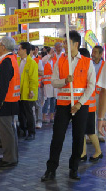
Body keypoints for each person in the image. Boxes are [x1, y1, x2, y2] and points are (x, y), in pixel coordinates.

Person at [41, 30, 96, 182]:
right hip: (63, 105)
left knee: (78, 137)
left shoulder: (86, 61)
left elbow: (91, 86)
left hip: (80, 106)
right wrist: (65, 80)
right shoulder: (61, 61)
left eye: (67, 42)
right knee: (57, 137)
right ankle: (51, 169)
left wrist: (79, 103)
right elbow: (54, 81)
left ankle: (74, 168)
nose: (64, 45)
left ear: (76, 44)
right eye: (64, 42)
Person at [0, 37, 20, 168]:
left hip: (5, 101)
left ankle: (9, 158)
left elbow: (3, 84)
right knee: (10, 130)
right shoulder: (12, 59)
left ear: (3, 47)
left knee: (6, 131)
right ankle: (12, 156)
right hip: (11, 100)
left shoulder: (6, 61)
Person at [78, 48, 103, 162]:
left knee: (90, 131)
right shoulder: (83, 67)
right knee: (81, 130)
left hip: (90, 106)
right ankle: (83, 153)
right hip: (83, 105)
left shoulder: (88, 68)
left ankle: (98, 152)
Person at [17, 42, 39, 140]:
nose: (18, 51)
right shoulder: (17, 61)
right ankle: (23, 129)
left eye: (19, 49)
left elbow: (33, 79)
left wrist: (32, 91)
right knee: (21, 113)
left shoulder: (32, 63)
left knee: (29, 113)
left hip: (28, 93)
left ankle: (31, 132)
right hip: (19, 92)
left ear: (24, 50)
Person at [91, 45, 105, 142]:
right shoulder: (88, 64)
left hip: (101, 94)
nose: (93, 54)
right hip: (91, 94)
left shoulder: (104, 65)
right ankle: (92, 134)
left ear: (101, 54)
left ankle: (101, 135)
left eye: (95, 52)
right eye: (93, 51)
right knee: (91, 115)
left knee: (102, 114)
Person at [31, 45, 44, 129]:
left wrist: (33, 71)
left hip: (36, 86)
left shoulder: (37, 61)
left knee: (37, 104)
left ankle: (39, 121)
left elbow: (42, 72)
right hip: (26, 86)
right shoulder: (22, 60)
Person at [42, 47, 57, 123]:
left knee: (53, 101)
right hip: (47, 85)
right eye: (52, 52)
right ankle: (44, 117)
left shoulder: (55, 61)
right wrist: (49, 54)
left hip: (54, 85)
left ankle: (52, 116)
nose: (53, 53)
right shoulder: (45, 61)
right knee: (47, 101)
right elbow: (43, 60)